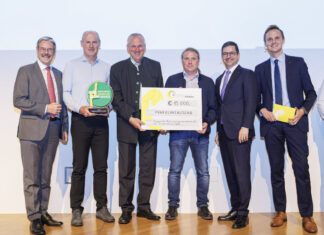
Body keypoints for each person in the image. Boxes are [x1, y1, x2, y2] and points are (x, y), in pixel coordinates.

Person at [255, 25, 318, 233]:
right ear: (265, 44)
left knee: (301, 169)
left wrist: (302, 111)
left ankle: (307, 215)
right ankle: (280, 211)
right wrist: (262, 109)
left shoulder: (297, 63)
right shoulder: (260, 69)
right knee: (276, 170)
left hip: (295, 123)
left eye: (276, 38)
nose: (273, 41)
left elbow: (310, 93)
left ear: (283, 40)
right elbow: (256, 101)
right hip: (272, 125)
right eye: (269, 39)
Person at [13, 36, 68, 235]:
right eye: (43, 49)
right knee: (32, 177)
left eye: (50, 49)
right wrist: (45, 108)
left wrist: (64, 128)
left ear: (54, 52)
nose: (46, 52)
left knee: (45, 176)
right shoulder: (26, 71)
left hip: (53, 131)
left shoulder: (59, 75)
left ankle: (44, 212)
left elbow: (62, 105)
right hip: (30, 132)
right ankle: (34, 217)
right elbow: (18, 100)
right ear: (37, 50)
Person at [110, 33, 163, 224]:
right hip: (127, 124)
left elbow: (160, 96)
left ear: (145, 47)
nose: (137, 49)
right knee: (126, 169)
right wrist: (131, 117)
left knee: (148, 168)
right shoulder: (117, 69)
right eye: (133, 46)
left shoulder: (155, 66)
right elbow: (115, 98)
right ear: (127, 48)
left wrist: (161, 121)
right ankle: (126, 208)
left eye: (140, 46)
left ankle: (144, 207)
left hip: (150, 126)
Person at [63, 31, 114, 226]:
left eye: (94, 42)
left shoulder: (106, 67)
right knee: (79, 167)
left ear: (99, 44)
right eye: (88, 42)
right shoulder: (72, 65)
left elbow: (111, 95)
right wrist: (79, 108)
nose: (91, 45)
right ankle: (76, 209)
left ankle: (102, 207)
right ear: (82, 43)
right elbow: (65, 93)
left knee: (101, 167)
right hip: (80, 120)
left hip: (101, 122)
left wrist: (110, 106)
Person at [164, 48, 217, 221]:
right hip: (178, 133)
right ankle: (173, 206)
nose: (189, 61)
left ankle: (203, 206)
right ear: (182, 61)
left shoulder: (208, 82)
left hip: (199, 134)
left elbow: (213, 109)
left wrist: (206, 122)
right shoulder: (172, 80)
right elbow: (165, 106)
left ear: (198, 61)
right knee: (174, 171)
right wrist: (163, 123)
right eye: (186, 58)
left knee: (203, 172)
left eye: (193, 58)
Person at [214, 41, 257, 229]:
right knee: (231, 173)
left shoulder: (247, 74)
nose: (228, 56)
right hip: (224, 133)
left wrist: (246, 126)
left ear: (238, 55)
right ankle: (235, 208)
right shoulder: (219, 79)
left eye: (231, 53)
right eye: (225, 53)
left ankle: (243, 213)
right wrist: (217, 131)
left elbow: (251, 102)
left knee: (241, 173)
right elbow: (220, 108)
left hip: (241, 132)